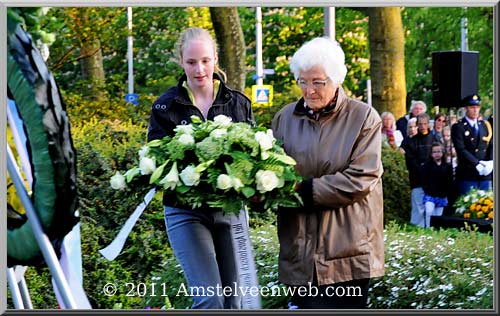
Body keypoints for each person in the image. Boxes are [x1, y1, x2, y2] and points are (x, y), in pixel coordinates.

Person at [271, 37, 384, 309]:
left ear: (336, 79)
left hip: (347, 254)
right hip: (299, 252)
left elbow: (361, 179)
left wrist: (303, 190)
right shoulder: (284, 119)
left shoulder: (364, 118)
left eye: (318, 82)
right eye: (302, 81)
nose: (309, 90)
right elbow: (271, 169)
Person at [147, 27, 255, 309]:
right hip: (185, 211)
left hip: (230, 210)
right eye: (192, 62)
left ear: (216, 59)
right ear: (181, 61)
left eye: (206, 60)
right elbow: (156, 162)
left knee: (236, 302)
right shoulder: (165, 106)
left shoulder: (238, 103)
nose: (200, 69)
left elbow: (253, 159)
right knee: (211, 299)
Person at [451, 94, 493, 196]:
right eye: (472, 107)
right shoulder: (459, 127)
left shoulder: (484, 125)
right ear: (466, 108)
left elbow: (491, 144)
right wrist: (476, 163)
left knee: (485, 207)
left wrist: (491, 161)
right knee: (467, 208)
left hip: (484, 173)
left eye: (477, 107)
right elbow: (461, 149)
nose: (475, 110)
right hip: (468, 173)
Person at [404, 113, 439, 227]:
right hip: (417, 178)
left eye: (425, 124)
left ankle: (431, 227)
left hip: (433, 178)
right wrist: (422, 170)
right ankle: (416, 229)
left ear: (429, 124)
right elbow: (410, 161)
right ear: (417, 125)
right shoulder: (411, 141)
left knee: (432, 207)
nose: (423, 126)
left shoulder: (435, 139)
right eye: (420, 124)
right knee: (418, 207)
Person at [421, 142, 453, 228]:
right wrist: (427, 190)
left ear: (442, 152)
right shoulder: (427, 166)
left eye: (439, 151)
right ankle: (427, 228)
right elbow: (424, 180)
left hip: (442, 195)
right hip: (430, 194)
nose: (437, 154)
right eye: (434, 152)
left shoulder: (447, 166)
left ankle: (435, 230)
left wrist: (446, 192)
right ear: (431, 154)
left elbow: (450, 181)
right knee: (429, 211)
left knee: (438, 216)